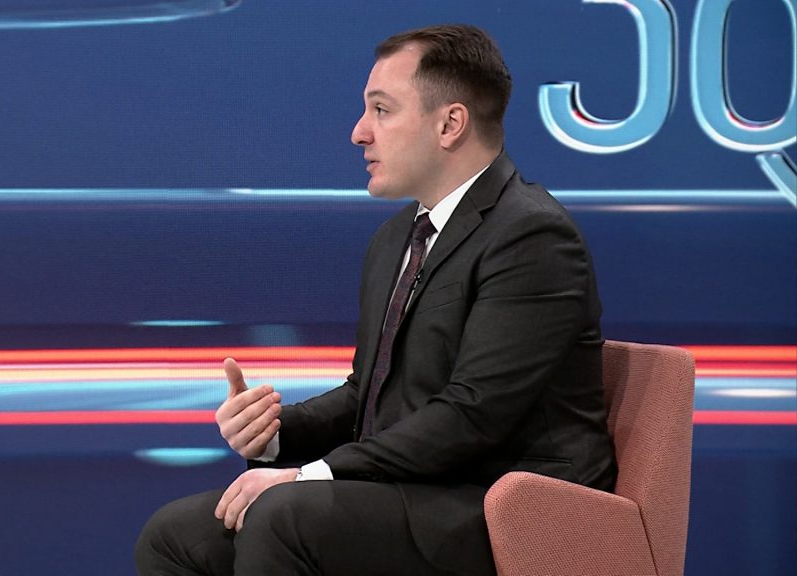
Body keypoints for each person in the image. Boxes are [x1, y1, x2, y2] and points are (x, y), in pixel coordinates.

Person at [135, 24, 616, 576]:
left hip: (504, 502)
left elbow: (473, 414)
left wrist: (311, 475)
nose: (359, 133)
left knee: (283, 517)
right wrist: (274, 436)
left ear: (450, 124)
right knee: (176, 536)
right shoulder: (397, 239)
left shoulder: (530, 235)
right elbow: (368, 395)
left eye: (382, 110)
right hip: (418, 487)